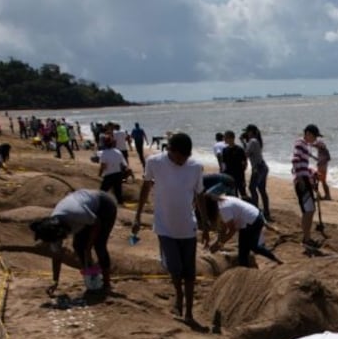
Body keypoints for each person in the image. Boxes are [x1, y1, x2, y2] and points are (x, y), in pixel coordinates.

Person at [132, 132, 206, 323]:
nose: (183, 160)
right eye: (180, 157)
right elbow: (145, 187)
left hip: (188, 227)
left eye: (186, 156)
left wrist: (205, 224)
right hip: (164, 227)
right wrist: (138, 216)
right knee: (175, 269)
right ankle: (178, 296)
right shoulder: (154, 162)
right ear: (170, 151)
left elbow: (199, 196)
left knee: (189, 271)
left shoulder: (196, 167)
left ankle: (189, 311)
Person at [29, 189, 119, 293]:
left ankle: (106, 284)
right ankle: (92, 276)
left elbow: (97, 223)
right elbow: (56, 256)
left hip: (103, 205)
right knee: (78, 246)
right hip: (85, 209)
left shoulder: (76, 214)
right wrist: (55, 281)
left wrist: (89, 247)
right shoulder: (52, 228)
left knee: (99, 245)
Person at [201, 192, 281, 266]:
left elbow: (232, 230)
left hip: (251, 221)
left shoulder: (223, 208)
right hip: (252, 218)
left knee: (248, 250)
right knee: (248, 249)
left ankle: (273, 259)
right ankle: (274, 259)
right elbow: (223, 229)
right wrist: (218, 243)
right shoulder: (221, 201)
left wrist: (221, 243)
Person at [291, 124, 320, 249]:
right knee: (309, 210)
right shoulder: (300, 143)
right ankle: (306, 239)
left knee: (308, 210)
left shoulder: (304, 145)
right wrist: (301, 178)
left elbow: (302, 165)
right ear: (308, 133)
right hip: (301, 181)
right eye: (314, 136)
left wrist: (312, 173)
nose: (315, 140)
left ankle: (307, 238)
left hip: (303, 179)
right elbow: (295, 160)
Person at [243, 125, 269, 218]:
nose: (246, 133)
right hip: (263, 166)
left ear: (250, 132)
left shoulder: (252, 141)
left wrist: (242, 141)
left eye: (247, 131)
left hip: (258, 168)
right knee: (262, 190)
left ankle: (255, 212)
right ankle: (266, 212)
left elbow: (246, 154)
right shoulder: (255, 140)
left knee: (252, 188)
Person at [97, 138, 129, 203]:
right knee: (118, 192)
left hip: (109, 175)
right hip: (118, 174)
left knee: (102, 192)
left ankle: (100, 205)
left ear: (104, 144)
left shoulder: (104, 153)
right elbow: (124, 165)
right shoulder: (118, 152)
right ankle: (121, 203)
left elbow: (103, 166)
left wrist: (100, 174)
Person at [220, 130, 247, 199]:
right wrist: (222, 175)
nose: (224, 139)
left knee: (243, 194)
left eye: (225, 138)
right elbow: (224, 164)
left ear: (231, 138)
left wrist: (242, 177)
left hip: (239, 176)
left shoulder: (239, 149)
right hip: (228, 175)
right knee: (230, 196)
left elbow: (245, 164)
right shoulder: (224, 150)